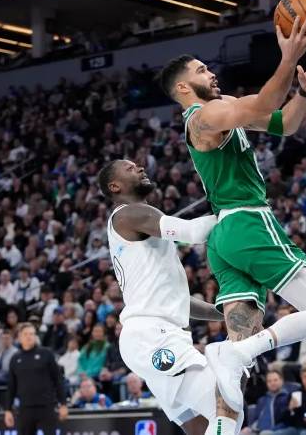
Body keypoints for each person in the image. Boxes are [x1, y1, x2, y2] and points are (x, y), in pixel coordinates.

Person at [158, 16, 306, 415]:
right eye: (202, 70)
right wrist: (288, 56)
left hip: (224, 240)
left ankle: (223, 421)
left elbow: (284, 124)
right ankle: (232, 354)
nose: (212, 72)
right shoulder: (203, 119)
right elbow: (263, 103)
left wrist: (304, 93)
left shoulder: (221, 110)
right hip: (248, 223)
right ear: (183, 87)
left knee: (237, 363)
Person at [97, 159, 238, 435]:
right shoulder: (128, 214)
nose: (139, 168)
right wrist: (239, 210)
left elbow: (180, 302)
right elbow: (194, 232)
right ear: (115, 186)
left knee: (202, 427)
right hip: (154, 335)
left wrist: (220, 312)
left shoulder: (139, 223)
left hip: (154, 334)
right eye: (130, 168)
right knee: (226, 406)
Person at [4, 322, 67, 435]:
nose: (29, 337)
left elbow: (58, 380)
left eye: (32, 334)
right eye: (26, 334)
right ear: (19, 337)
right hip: (25, 408)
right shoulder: (15, 359)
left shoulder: (46, 354)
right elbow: (11, 387)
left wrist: (63, 404)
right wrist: (8, 410)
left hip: (46, 407)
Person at [249, 370, 292, 435]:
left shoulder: (287, 398)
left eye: (275, 380)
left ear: (281, 381)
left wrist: (271, 430)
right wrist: (250, 428)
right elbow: (256, 419)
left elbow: (286, 422)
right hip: (258, 430)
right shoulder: (262, 400)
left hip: (276, 431)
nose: (272, 383)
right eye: (269, 381)